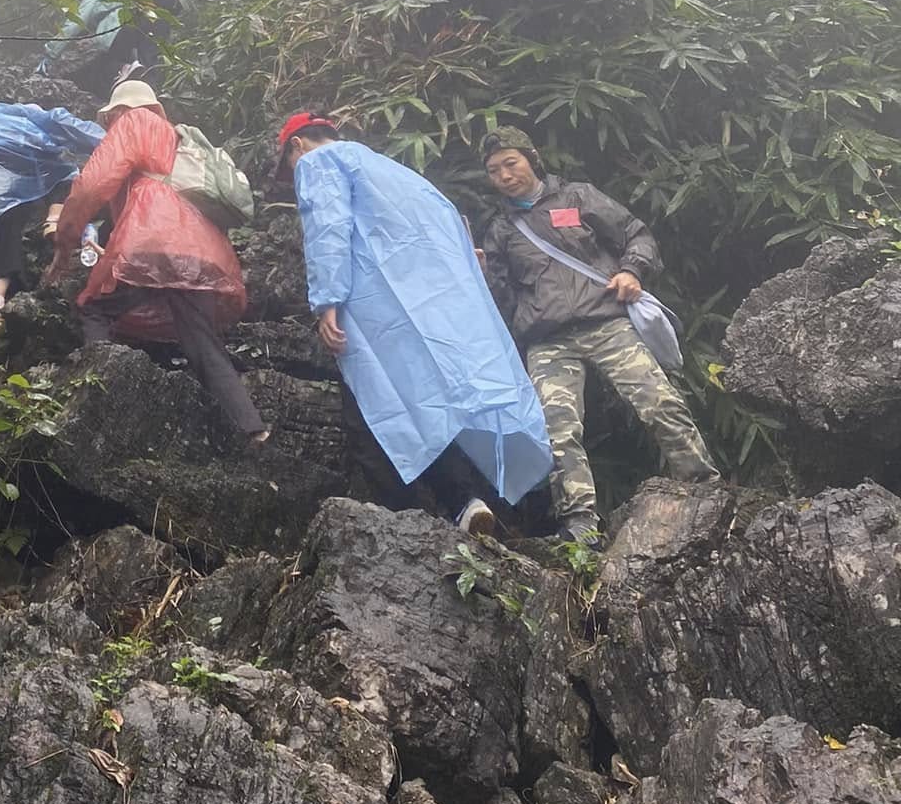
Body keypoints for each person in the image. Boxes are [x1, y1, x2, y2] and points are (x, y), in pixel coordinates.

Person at [278, 112, 552, 534]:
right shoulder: (388, 168)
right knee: (441, 401)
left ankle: (418, 517)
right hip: (432, 306)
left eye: (288, 165)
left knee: (380, 410)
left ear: (297, 146)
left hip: (373, 310)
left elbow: (326, 228)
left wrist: (327, 301)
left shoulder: (318, 164)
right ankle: (497, 507)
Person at [479, 126, 720, 540]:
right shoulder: (501, 230)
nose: (504, 175)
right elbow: (505, 303)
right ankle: (580, 525)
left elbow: (635, 234)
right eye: (494, 170)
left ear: (531, 159)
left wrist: (631, 270)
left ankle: (705, 490)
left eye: (511, 163)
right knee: (557, 429)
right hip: (548, 340)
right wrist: (483, 276)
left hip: (605, 321)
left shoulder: (577, 197)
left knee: (658, 402)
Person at [48, 81, 268, 441]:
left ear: (119, 111)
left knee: (94, 308)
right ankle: (252, 430)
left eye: (109, 118)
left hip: (153, 237)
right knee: (201, 339)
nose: (108, 126)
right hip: (203, 250)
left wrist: (64, 244)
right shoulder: (183, 145)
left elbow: (92, 186)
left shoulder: (134, 124)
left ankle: (100, 401)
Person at [0, 102, 104, 332]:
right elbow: (63, 123)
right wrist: (113, 141)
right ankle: (52, 220)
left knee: (8, 218)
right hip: (2, 150)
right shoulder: (29, 115)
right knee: (67, 171)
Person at [40, 0, 184, 100]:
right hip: (161, 20)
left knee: (105, 61)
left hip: (127, 23)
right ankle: (150, 96)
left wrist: (51, 54)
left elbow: (74, 24)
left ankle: (122, 70)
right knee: (147, 66)